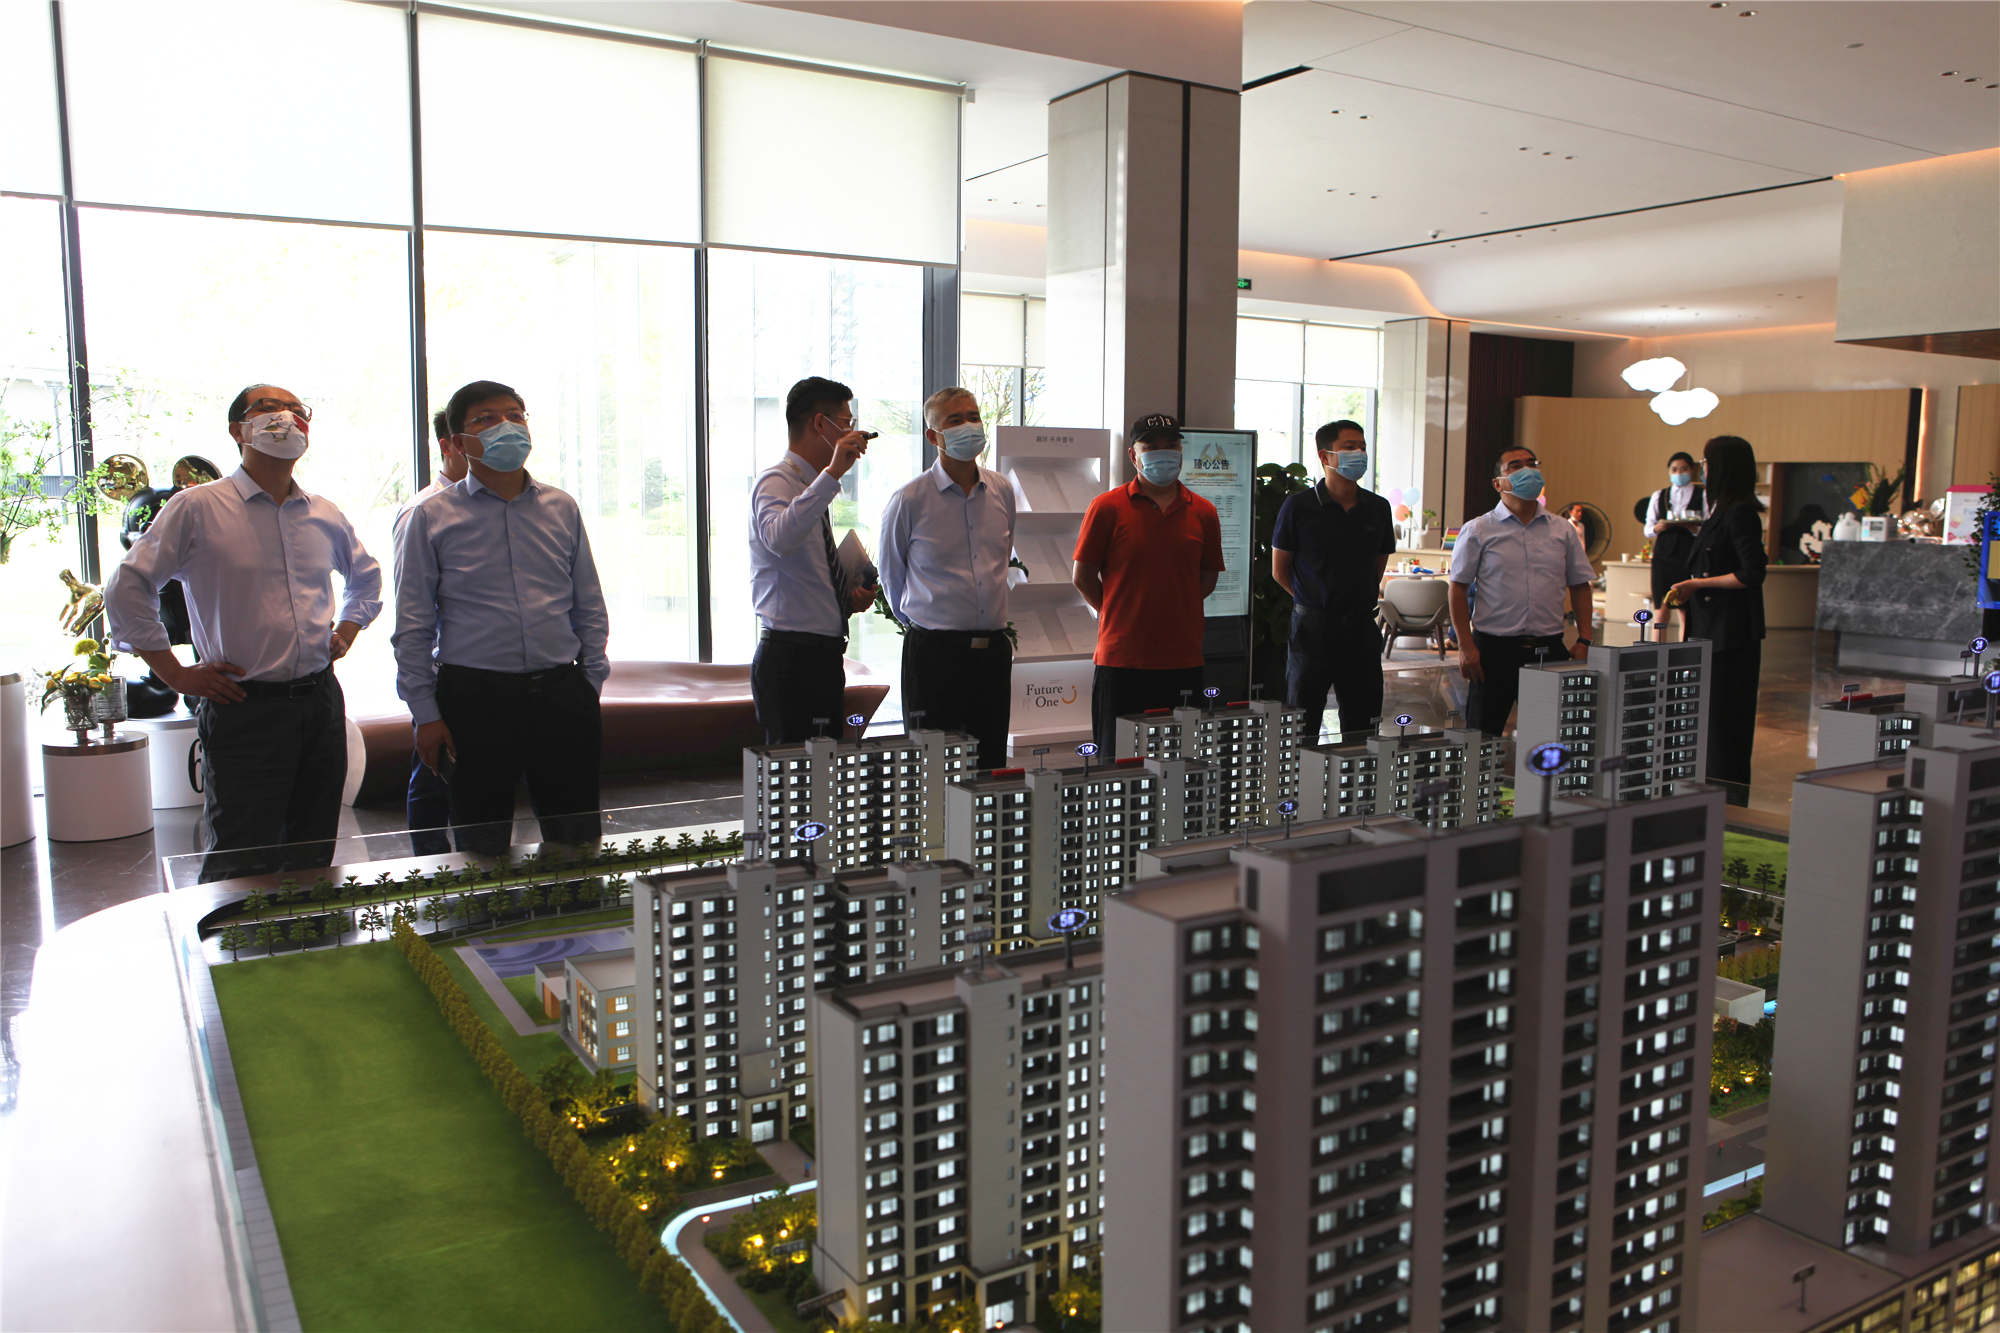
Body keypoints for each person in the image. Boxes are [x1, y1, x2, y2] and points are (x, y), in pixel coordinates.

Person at [104, 383, 383, 881]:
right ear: (239, 430)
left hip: (319, 702)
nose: (286, 417)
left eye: (296, 409)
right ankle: (230, 932)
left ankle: (308, 928)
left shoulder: (323, 512)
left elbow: (366, 577)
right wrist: (174, 674)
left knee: (314, 843)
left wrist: (346, 630)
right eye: (269, 408)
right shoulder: (197, 507)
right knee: (241, 852)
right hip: (243, 706)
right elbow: (128, 585)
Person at [393, 380, 609, 855]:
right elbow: (412, 625)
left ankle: (575, 906)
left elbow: (588, 602)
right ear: (458, 441)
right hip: (475, 698)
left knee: (576, 840)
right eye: (486, 419)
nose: (506, 426)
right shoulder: (430, 515)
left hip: (561, 691)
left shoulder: (561, 507)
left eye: (515, 415)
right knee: (481, 843)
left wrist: (589, 682)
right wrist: (425, 713)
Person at [878, 387, 1018, 768]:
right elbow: (891, 576)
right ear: (933, 436)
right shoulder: (909, 499)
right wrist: (924, 623)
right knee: (933, 767)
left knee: (989, 764)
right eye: (955, 420)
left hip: (992, 653)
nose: (968, 426)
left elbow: (1002, 557)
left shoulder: (1002, 491)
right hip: (934, 655)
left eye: (973, 417)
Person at [1073, 413, 1226, 752]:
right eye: (1151, 446)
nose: (1163, 453)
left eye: (1171, 445)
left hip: (1183, 659)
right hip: (1121, 660)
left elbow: (1207, 578)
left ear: (1181, 452)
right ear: (1133, 455)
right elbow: (1082, 576)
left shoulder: (1203, 512)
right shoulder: (1106, 507)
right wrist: (1118, 611)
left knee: (1180, 761)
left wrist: (1175, 607)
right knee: (1117, 762)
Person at [747, 376, 879, 745]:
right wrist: (832, 474)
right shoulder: (776, 482)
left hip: (823, 658)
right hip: (790, 659)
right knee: (794, 775)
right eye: (846, 423)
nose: (852, 433)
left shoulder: (811, 487)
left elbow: (809, 575)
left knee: (823, 772)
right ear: (821, 424)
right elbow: (779, 538)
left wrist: (845, 598)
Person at [1447, 446, 1595, 737]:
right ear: (1498, 483)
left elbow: (1580, 584)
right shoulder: (1478, 530)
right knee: (1482, 738)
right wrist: (1465, 645)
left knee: (1548, 739)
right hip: (1493, 651)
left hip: (1548, 650)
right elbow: (1458, 588)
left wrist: (1584, 638)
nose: (1527, 470)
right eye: (1515, 466)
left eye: (1532, 463)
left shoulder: (1562, 530)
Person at [1271, 419, 1395, 742]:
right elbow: (1280, 570)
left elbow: (1377, 567)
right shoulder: (1298, 507)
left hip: (1360, 629)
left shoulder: (1377, 508)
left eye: (1362, 447)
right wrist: (1312, 598)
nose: (1359, 454)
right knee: (1302, 724)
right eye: (1350, 447)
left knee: (1363, 725)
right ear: (1325, 456)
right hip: (1312, 630)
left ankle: (1357, 776)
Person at [1669, 435, 1767, 807]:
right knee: (1708, 724)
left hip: (1731, 636)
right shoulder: (1719, 512)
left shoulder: (1740, 513)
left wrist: (1697, 584)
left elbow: (1751, 573)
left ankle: (1728, 804)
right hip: (1708, 632)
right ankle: (1708, 799)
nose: (1702, 469)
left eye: (1706, 462)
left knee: (1726, 726)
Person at [393, 409, 466, 855]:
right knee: (434, 775)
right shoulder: (423, 511)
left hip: (491, 672)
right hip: (446, 672)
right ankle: (431, 868)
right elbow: (412, 611)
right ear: (449, 445)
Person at [1645, 449, 1707, 616]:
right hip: (1663, 554)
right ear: (1669, 472)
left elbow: (1708, 526)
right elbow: (1648, 529)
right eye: (1674, 469)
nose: (1679, 473)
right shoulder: (1659, 495)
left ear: (1692, 470)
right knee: (1661, 607)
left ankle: (1684, 634)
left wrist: (1694, 529)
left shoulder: (1702, 494)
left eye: (1684, 469)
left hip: (1689, 553)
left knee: (1685, 608)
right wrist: (1657, 528)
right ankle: (1658, 635)